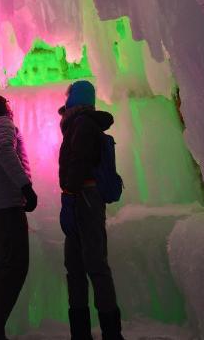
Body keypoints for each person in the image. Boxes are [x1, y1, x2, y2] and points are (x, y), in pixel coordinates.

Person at [58, 81, 124, 340]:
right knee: (74, 265)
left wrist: (69, 195)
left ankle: (111, 333)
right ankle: (81, 333)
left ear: (76, 99)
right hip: (80, 196)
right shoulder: (79, 124)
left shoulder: (83, 124)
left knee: (95, 264)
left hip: (84, 196)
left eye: (69, 96)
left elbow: (79, 161)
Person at [0, 92, 38, 340]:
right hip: (4, 206)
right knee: (14, 265)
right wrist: (25, 186)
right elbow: (4, 150)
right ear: (3, 106)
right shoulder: (2, 123)